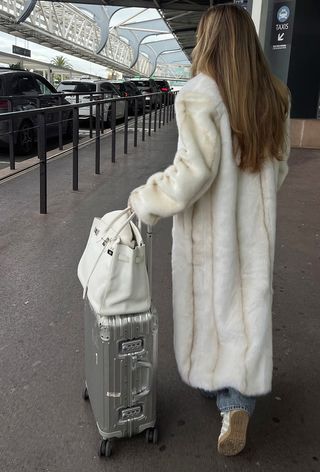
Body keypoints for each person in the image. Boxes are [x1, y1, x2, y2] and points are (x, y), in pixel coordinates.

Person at [128, 4, 290, 456]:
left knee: (212, 310)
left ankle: (216, 388)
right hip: (254, 232)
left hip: (208, 233)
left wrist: (145, 199)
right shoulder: (275, 95)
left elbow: (191, 174)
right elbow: (278, 170)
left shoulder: (200, 95)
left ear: (210, 41)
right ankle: (236, 402)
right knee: (245, 306)